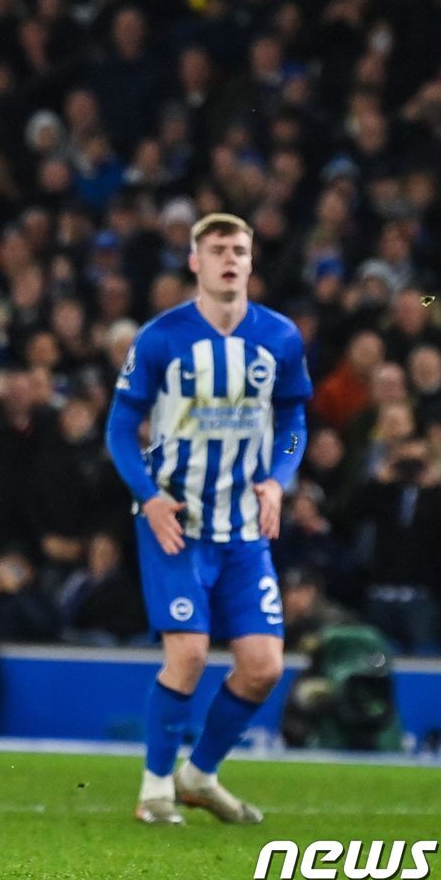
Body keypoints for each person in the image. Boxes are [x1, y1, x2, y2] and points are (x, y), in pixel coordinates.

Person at [105, 213, 311, 826]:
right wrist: (150, 496)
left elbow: (295, 426)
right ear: (195, 261)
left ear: (251, 262)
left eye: (239, 249)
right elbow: (119, 428)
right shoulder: (162, 337)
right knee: (190, 653)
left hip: (245, 528)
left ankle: (200, 775)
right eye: (216, 249)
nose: (229, 258)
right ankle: (155, 789)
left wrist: (279, 479)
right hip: (176, 521)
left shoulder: (280, 338)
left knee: (264, 666)